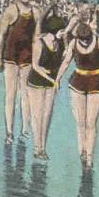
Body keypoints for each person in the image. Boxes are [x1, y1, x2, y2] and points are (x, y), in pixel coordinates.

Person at [56, 22, 99, 169]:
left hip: (96, 82)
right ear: (78, 37)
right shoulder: (74, 43)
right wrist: (57, 79)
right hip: (77, 82)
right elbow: (66, 61)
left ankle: (89, 158)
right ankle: (82, 151)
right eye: (83, 39)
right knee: (80, 122)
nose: (85, 42)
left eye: (87, 39)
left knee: (91, 123)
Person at [0, 0, 40, 144]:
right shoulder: (11, 10)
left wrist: (37, 60)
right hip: (10, 56)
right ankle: (9, 131)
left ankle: (25, 129)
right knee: (11, 94)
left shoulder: (36, 12)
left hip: (27, 56)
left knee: (26, 94)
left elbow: (36, 38)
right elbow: (1, 35)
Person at [26, 16, 66, 161]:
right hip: (36, 81)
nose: (64, 33)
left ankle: (43, 147)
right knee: (37, 116)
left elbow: (61, 63)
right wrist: (52, 79)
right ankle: (37, 148)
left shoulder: (60, 43)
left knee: (47, 116)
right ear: (53, 30)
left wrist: (57, 78)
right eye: (61, 30)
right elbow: (35, 66)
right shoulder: (39, 43)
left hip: (51, 82)